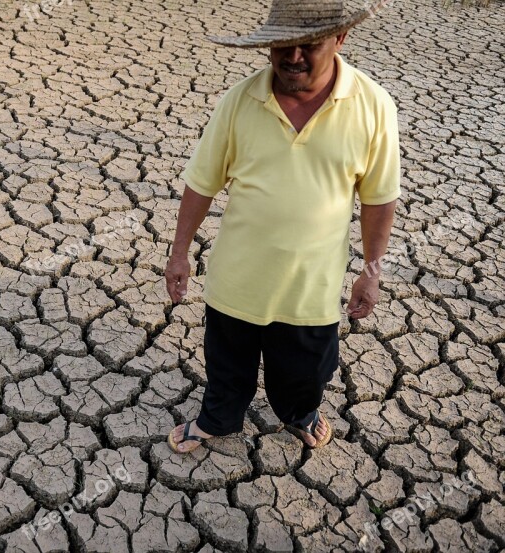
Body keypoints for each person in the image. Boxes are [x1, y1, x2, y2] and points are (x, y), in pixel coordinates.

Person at [165, 0, 400, 452]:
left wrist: (371, 273)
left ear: (340, 39)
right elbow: (201, 184)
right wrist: (179, 253)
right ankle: (219, 418)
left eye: (308, 45)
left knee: (306, 371)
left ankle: (299, 413)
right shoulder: (240, 100)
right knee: (226, 364)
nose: (293, 57)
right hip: (238, 279)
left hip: (311, 288)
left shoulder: (373, 106)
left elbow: (378, 199)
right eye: (282, 46)